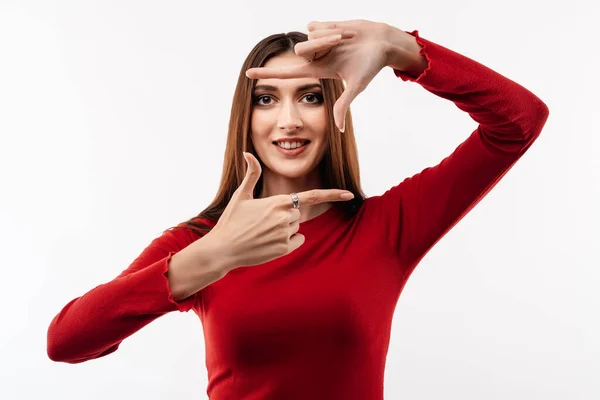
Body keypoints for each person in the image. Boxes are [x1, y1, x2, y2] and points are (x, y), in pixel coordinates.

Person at [47, 19, 549, 399]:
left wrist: (402, 50)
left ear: (337, 106)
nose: (288, 120)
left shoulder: (387, 227)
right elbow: (67, 342)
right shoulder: (200, 242)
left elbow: (520, 121)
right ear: (246, 117)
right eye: (267, 99)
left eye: (309, 96)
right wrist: (213, 256)